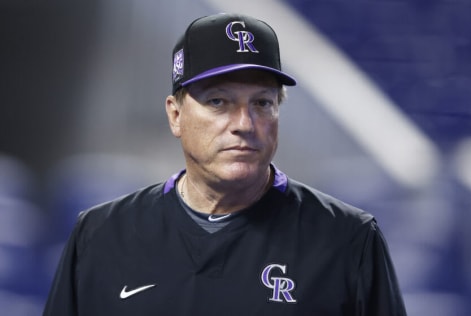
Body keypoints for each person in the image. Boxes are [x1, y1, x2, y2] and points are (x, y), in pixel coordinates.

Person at [43, 12, 407, 316]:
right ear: (175, 115)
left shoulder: (350, 239)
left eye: (262, 103)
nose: (244, 124)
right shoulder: (101, 234)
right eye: (218, 102)